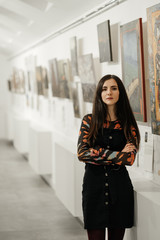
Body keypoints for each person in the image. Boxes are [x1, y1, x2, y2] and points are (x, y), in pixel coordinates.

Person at [77, 74, 140, 240]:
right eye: (104, 89)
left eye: (113, 88)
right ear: (99, 93)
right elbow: (82, 153)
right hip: (94, 189)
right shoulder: (89, 121)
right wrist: (119, 154)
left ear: (120, 93)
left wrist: (97, 152)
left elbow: (130, 159)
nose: (108, 92)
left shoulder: (128, 124)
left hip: (120, 190)